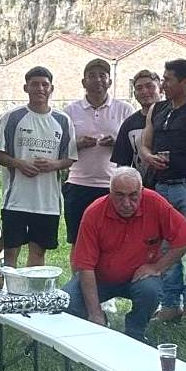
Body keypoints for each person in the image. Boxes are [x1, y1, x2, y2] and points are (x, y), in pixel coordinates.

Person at [65, 168, 186, 343]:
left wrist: (157, 267)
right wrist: (95, 313)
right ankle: (95, 327)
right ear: (110, 193)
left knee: (150, 291)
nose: (127, 203)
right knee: (66, 300)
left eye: (133, 196)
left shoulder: (155, 203)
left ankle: (135, 332)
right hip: (100, 278)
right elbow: (85, 266)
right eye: (120, 196)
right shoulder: (94, 212)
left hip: (138, 278)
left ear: (142, 191)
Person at [139, 59, 186, 321]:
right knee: (164, 245)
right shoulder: (157, 109)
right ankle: (170, 303)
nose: (163, 84)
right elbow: (144, 143)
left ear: (185, 82)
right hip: (161, 185)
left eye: (168, 79)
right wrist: (148, 157)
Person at [0, 66, 77, 267]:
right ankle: (8, 293)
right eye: (35, 84)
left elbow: (70, 158)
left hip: (47, 202)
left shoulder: (63, 120)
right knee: (10, 251)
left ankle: (32, 296)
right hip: (16, 200)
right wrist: (18, 163)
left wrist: (53, 165)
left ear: (51, 88)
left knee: (38, 253)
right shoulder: (13, 117)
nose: (40, 88)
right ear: (25, 87)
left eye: (44, 84)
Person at [63, 58, 134, 246]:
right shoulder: (70, 111)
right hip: (78, 183)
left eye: (102, 75)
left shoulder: (124, 109)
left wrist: (116, 143)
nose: (98, 80)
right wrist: (77, 144)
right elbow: (60, 148)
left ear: (110, 81)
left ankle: (109, 276)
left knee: (112, 240)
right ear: (83, 82)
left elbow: (133, 146)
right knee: (78, 240)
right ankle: (80, 276)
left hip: (112, 185)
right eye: (92, 76)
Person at [110, 69, 162, 184]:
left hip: (173, 185)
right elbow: (123, 163)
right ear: (134, 94)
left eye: (149, 86)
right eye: (139, 88)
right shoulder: (129, 124)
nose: (144, 91)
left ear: (161, 89)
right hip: (143, 188)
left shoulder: (172, 117)